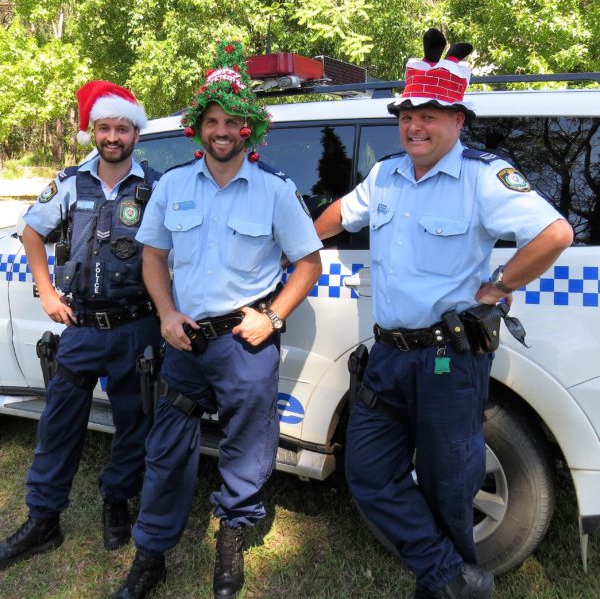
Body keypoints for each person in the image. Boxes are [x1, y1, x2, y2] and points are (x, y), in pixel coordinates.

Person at [314, 29, 574, 599]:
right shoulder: (386, 174)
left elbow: (556, 233)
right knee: (368, 472)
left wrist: (500, 284)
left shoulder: (482, 176)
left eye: (429, 115)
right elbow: (341, 214)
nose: (415, 126)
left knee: (448, 485)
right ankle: (453, 577)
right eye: (408, 115)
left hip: (447, 361)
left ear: (457, 120)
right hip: (387, 355)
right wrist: (298, 242)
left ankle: (441, 586)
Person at [112, 41, 322, 599]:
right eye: (212, 121)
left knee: (246, 450)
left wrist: (273, 317)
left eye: (232, 121)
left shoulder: (274, 190)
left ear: (248, 128)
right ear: (198, 128)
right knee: (166, 450)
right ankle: (151, 553)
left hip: (244, 343)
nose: (222, 131)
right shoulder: (173, 185)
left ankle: (231, 539)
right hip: (185, 341)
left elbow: (308, 263)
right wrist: (165, 313)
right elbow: (153, 256)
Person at [0, 81, 162, 570]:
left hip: (137, 326)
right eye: (105, 128)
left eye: (122, 129)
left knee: (134, 424)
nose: (113, 137)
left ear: (136, 133)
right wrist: (48, 293)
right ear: (94, 132)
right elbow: (31, 232)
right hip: (82, 327)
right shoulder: (71, 182)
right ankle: (43, 519)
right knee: (59, 425)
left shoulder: (156, 186)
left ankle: (117, 500)